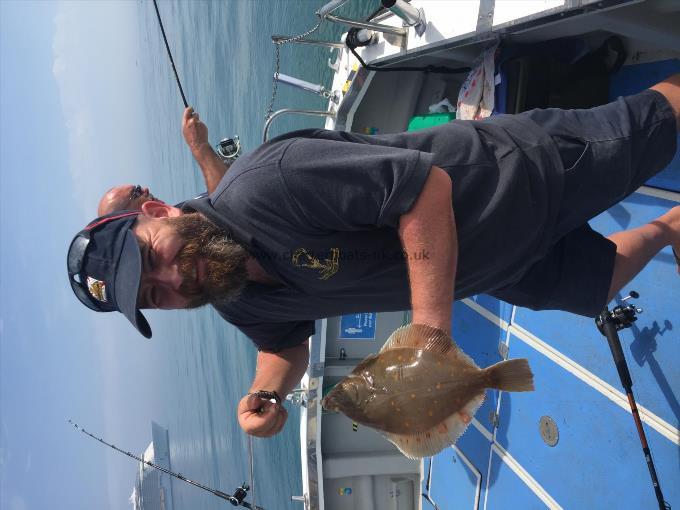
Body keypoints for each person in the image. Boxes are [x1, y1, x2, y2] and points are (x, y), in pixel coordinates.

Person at [67, 74, 680, 439]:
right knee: (597, 283)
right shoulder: (232, 295)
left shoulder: (266, 185)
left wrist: (429, 337)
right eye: (155, 295)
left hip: (517, 179)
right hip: (490, 267)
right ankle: (674, 226)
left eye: (152, 259)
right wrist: (268, 395)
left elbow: (426, 193)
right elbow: (280, 346)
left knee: (655, 124)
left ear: (155, 214)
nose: (173, 278)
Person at [97, 107, 230, 216]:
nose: (145, 189)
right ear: (128, 217)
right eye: (136, 192)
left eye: (138, 187)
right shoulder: (180, 236)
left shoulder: (177, 212)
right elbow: (231, 211)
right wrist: (199, 145)